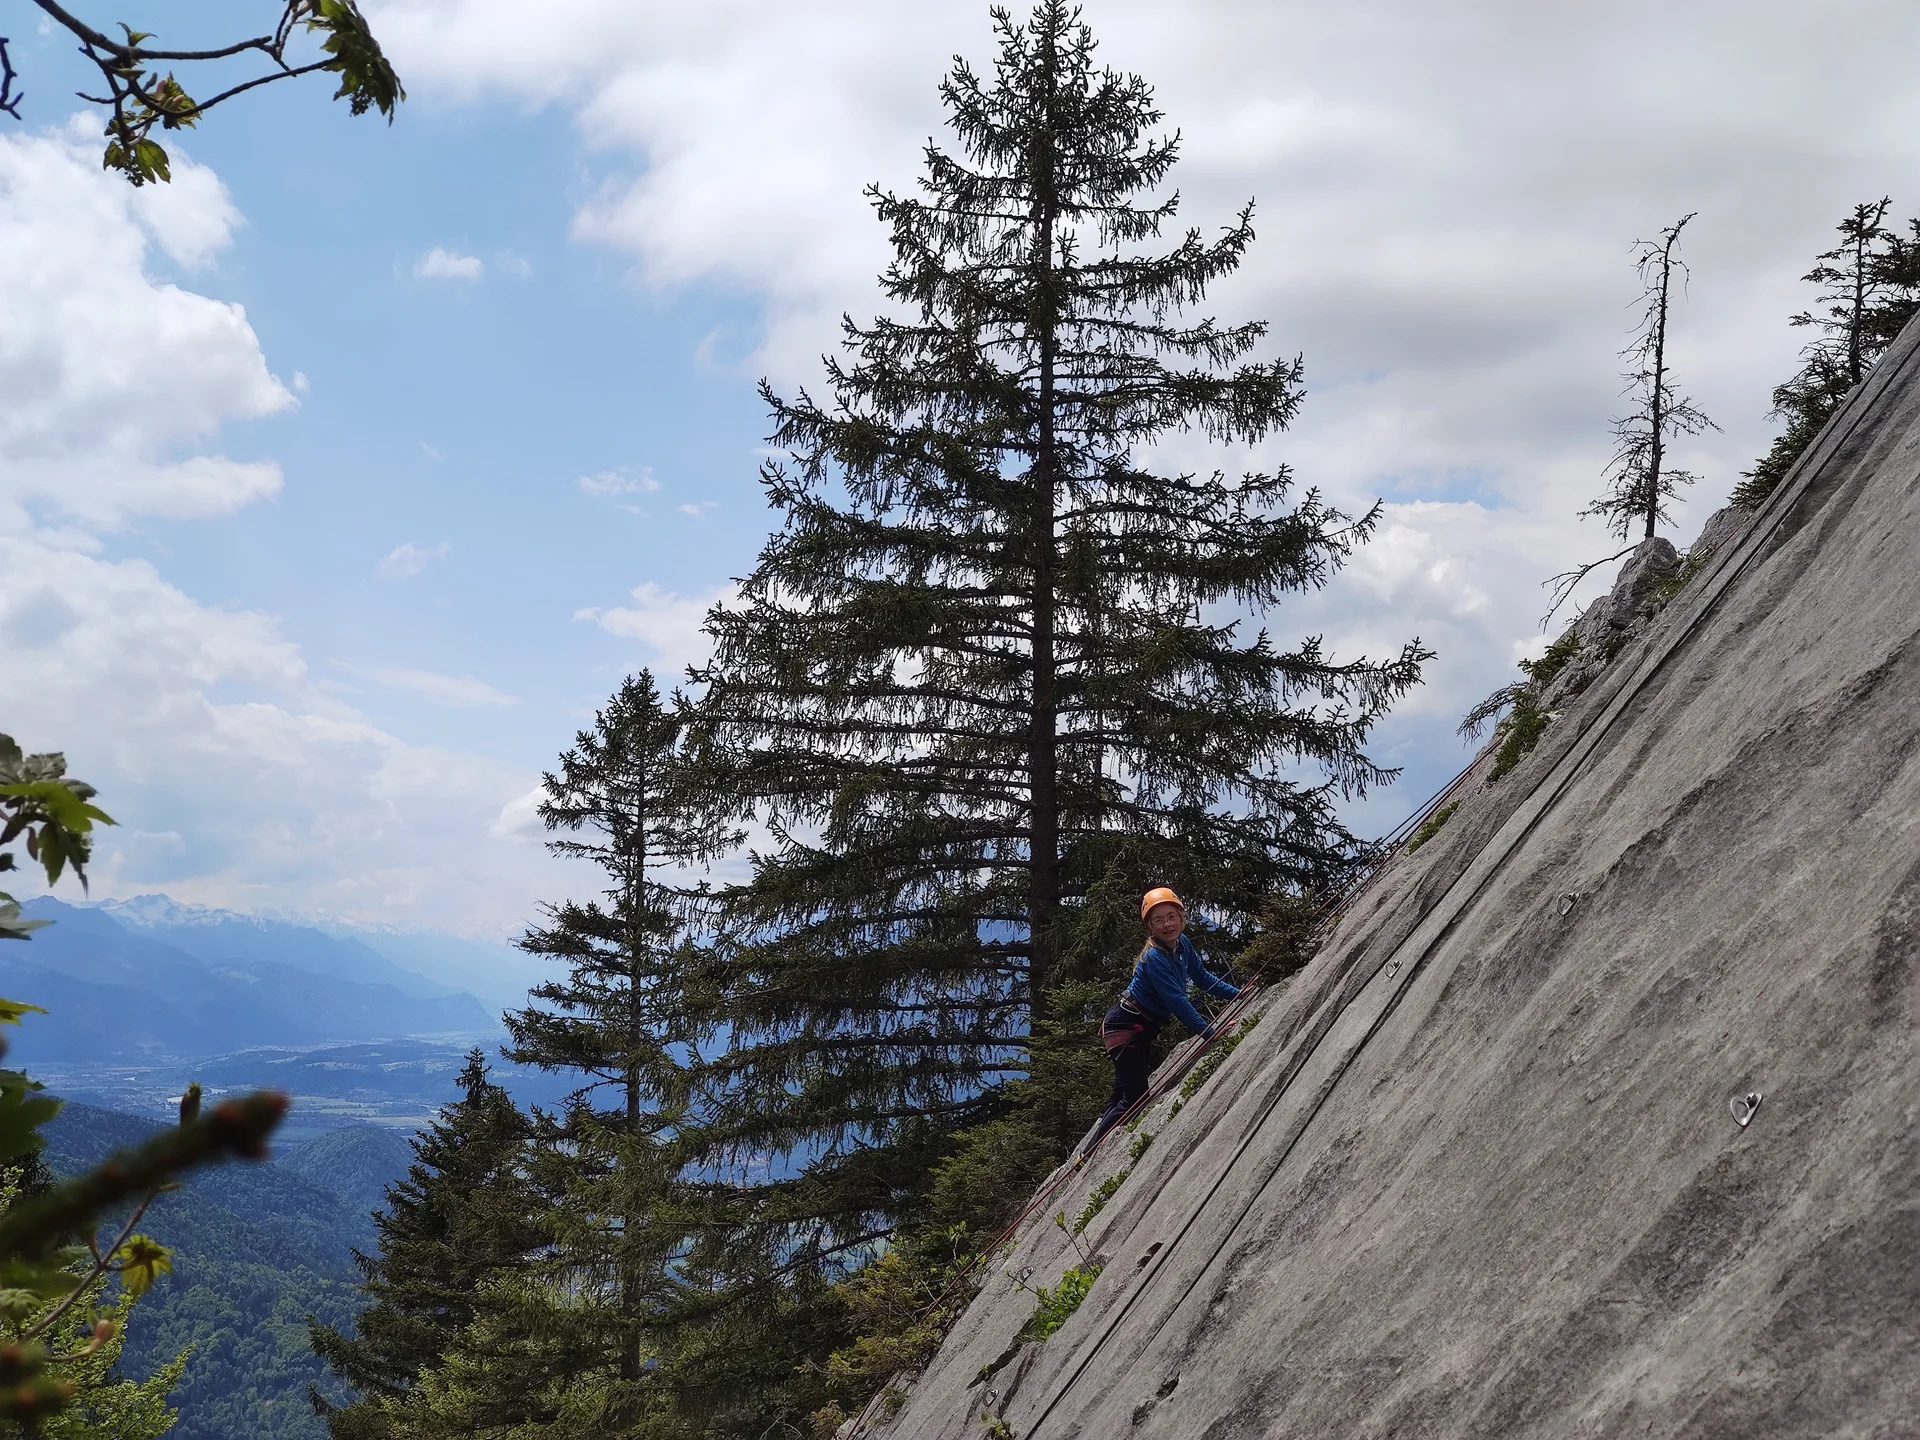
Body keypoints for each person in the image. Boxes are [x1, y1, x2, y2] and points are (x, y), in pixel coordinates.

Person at [1084, 887, 1240, 1155]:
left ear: (1182, 916)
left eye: (1171, 916)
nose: (1167, 924)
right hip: (1127, 1027)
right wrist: (1210, 1034)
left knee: (1123, 1093)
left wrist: (1239, 994)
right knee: (1134, 1097)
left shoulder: (1182, 945)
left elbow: (1202, 979)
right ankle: (1089, 1156)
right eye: (1158, 920)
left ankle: (1087, 1155)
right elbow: (1177, 1002)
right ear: (1150, 927)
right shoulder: (1155, 957)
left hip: (1134, 1027)